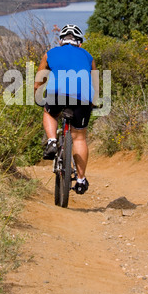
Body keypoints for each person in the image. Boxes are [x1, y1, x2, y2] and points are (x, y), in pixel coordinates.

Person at [34, 24, 97, 195]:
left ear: (61, 41)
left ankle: (52, 141)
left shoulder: (50, 53)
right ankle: (81, 180)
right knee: (79, 138)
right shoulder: (88, 56)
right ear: (80, 43)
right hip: (82, 98)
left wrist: (36, 92)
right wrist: (94, 101)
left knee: (49, 112)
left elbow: (39, 79)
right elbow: (95, 83)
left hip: (57, 94)